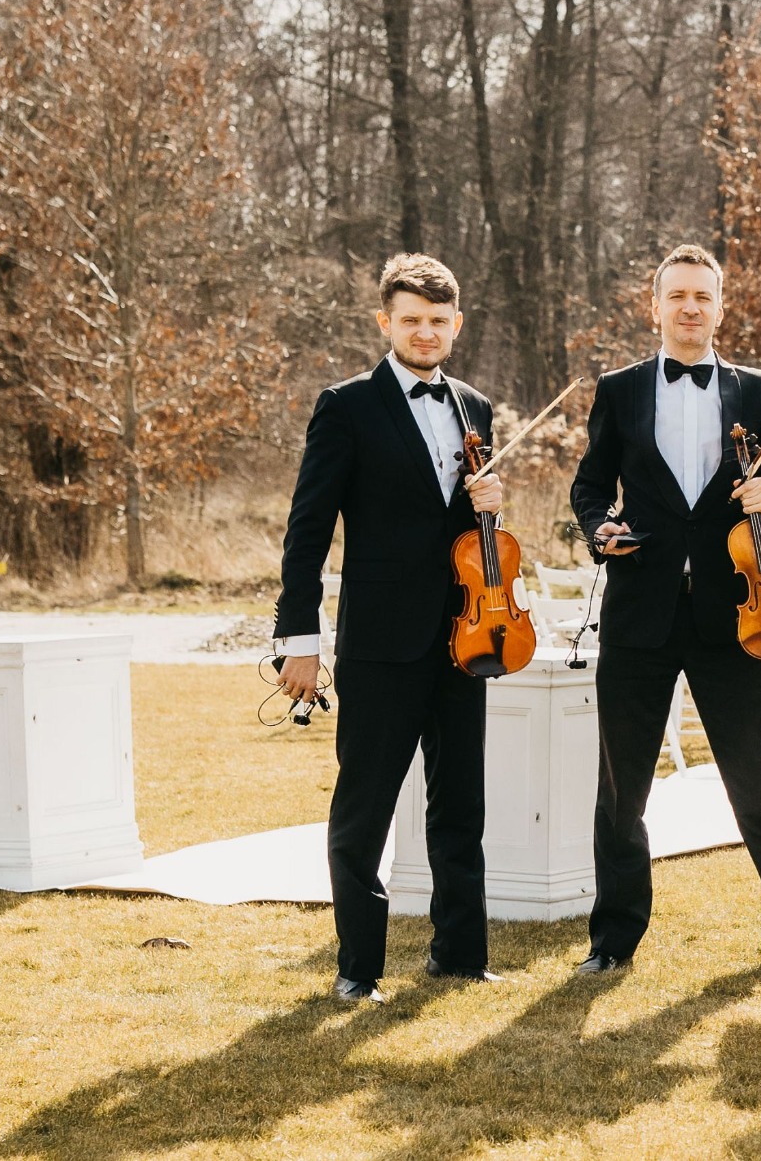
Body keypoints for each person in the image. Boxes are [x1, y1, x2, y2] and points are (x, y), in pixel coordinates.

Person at [568, 245, 761, 973]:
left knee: (755, 776)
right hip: (639, 614)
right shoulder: (619, 389)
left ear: (721, 307)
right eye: (678, 296)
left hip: (737, 613)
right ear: (654, 306)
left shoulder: (758, 390)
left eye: (704, 296)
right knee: (622, 786)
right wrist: (600, 529)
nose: (691, 307)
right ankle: (613, 942)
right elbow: (590, 486)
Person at [273, 254, 505, 1005]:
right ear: (386, 322)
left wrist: (493, 503)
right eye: (411, 319)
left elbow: (475, 533)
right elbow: (306, 532)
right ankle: (357, 969)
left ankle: (461, 955)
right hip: (378, 643)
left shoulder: (476, 407)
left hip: (466, 636)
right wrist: (298, 639)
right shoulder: (345, 406)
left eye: (439, 320)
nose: (426, 331)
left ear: (456, 324)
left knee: (461, 802)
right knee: (364, 807)